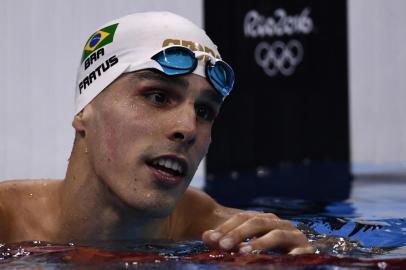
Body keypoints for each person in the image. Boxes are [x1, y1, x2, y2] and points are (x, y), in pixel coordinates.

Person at [0, 12, 314, 255]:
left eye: (204, 111)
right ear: (85, 110)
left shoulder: (225, 236)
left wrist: (306, 256)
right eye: (158, 97)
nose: (188, 128)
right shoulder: (7, 224)